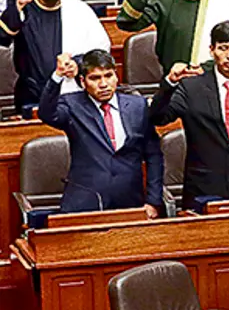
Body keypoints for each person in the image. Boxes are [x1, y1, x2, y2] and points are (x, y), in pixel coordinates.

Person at [149, 21, 229, 210]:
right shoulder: (191, 88)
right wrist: (169, 84)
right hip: (203, 190)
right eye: (223, 48)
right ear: (212, 50)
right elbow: (158, 118)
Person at [39, 50, 163, 217]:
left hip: (129, 201)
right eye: (95, 78)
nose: (103, 84)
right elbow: (47, 113)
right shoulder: (72, 105)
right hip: (85, 202)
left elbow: (154, 155)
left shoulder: (138, 106)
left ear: (116, 76)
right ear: (83, 82)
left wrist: (153, 201)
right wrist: (57, 76)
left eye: (108, 76)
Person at [0, 0, 110, 111]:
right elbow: (3, 38)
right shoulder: (24, 8)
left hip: (74, 95)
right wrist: (18, 4)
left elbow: (100, 50)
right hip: (32, 97)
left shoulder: (80, 9)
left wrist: (78, 65)